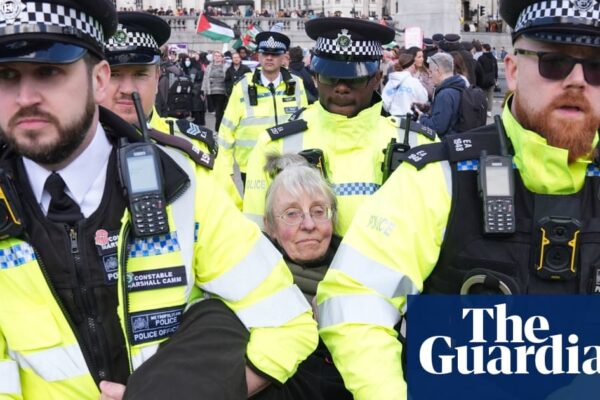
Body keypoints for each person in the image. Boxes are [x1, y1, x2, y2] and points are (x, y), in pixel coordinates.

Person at [0, 3, 317, 399]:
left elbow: (288, 323)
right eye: (6, 75)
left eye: (49, 72)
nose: (25, 97)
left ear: (97, 79)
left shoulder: (183, 186)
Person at [316, 0, 600, 398]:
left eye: (596, 67)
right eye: (554, 62)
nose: (577, 81)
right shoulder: (438, 176)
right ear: (513, 71)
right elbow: (355, 297)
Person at [242, 17, 435, 236]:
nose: (341, 88)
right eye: (329, 77)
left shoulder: (419, 143)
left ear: (377, 79)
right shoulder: (274, 147)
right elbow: (257, 239)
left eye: (355, 79)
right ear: (315, 78)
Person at [101, 12, 242, 210]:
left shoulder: (194, 147)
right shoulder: (66, 150)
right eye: (114, 74)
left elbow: (233, 227)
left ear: (158, 77)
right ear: (95, 77)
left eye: (140, 74)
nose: (128, 89)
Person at [262, 155, 352, 400]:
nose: (309, 224)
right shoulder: (252, 291)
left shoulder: (362, 277)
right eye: (292, 214)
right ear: (270, 226)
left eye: (318, 211)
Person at [219, 30, 308, 183]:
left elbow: (305, 123)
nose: (269, 58)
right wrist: (225, 170)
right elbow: (226, 131)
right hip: (252, 168)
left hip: (289, 167)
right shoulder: (242, 86)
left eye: (274, 54)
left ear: (283, 57)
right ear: (258, 56)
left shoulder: (296, 83)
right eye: (265, 53)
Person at [414, 52, 465, 136]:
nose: (429, 76)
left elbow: (437, 128)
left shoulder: (445, 94)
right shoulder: (459, 85)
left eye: (430, 71)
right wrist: (428, 108)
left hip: (446, 143)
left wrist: (422, 117)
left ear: (438, 71)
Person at [202, 50, 228, 132]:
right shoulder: (209, 67)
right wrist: (203, 90)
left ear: (222, 57)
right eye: (215, 56)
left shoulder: (226, 67)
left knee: (219, 112)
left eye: (219, 56)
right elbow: (205, 78)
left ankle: (218, 129)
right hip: (211, 92)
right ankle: (219, 127)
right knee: (214, 111)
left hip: (222, 92)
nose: (217, 57)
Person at [478, 43, 499, 117]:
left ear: (484, 49)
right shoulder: (493, 58)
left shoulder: (481, 58)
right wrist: (496, 78)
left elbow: (479, 70)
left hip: (483, 80)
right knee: (490, 96)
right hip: (491, 80)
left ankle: (482, 109)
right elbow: (496, 69)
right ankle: (489, 111)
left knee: (483, 95)